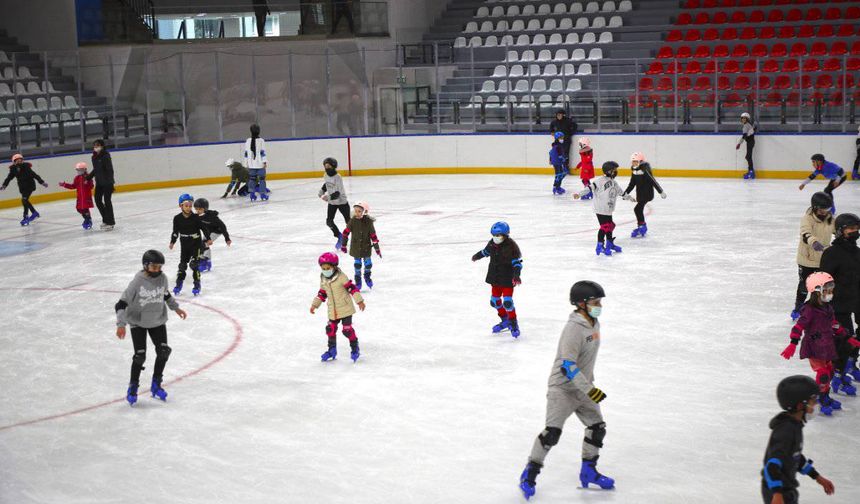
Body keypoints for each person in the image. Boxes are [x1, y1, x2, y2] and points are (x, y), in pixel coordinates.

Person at [519, 280, 614, 500]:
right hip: (562, 389)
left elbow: (586, 360)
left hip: (583, 388)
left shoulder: (594, 324)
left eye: (600, 302)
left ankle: (588, 471)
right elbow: (568, 366)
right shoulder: (574, 329)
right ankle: (529, 474)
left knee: (597, 428)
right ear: (580, 303)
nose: (599, 306)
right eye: (595, 302)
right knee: (551, 434)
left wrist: (589, 385)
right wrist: (590, 390)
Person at [780, 272, 860, 415]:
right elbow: (798, 327)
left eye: (831, 290)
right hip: (814, 347)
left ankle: (823, 395)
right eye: (827, 290)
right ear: (817, 291)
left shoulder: (827, 307)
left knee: (829, 372)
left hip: (827, 346)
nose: (830, 293)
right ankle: (822, 400)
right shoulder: (809, 310)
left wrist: (847, 337)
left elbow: (834, 325)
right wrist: (793, 344)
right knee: (823, 374)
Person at [115, 250, 188, 406]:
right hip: (138, 322)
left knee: (163, 351)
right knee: (140, 356)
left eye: (159, 267)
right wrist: (121, 325)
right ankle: (133, 387)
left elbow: (165, 294)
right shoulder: (137, 282)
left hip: (157, 321)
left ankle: (156, 384)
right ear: (145, 265)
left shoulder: (163, 278)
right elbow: (120, 304)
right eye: (154, 267)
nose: (157, 270)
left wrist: (176, 308)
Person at [760, 375, 835, 504]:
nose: (816, 404)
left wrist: (817, 477)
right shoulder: (785, 431)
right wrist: (777, 494)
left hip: (786, 488)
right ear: (801, 405)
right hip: (776, 491)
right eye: (813, 400)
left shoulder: (794, 425)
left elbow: (795, 456)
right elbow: (771, 465)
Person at [820, 213, 860, 396]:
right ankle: (839, 373)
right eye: (851, 229)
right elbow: (824, 281)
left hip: (857, 300)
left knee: (856, 338)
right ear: (840, 231)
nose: (855, 232)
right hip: (839, 304)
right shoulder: (831, 253)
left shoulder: (857, 252)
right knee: (845, 340)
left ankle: (852, 362)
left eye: (857, 229)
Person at [471, 221, 523, 338]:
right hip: (495, 277)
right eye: (494, 235)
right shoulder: (492, 244)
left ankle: (513, 323)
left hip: (507, 279)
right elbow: (485, 252)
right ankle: (505, 319)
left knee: (508, 302)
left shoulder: (510, 247)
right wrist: (477, 256)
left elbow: (517, 264)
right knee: (494, 301)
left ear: (505, 235)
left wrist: (516, 275)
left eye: (498, 235)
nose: (496, 237)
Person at [311, 252, 365, 362]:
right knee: (330, 329)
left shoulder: (341, 277)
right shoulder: (323, 279)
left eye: (328, 268)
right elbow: (322, 293)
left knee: (347, 330)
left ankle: (355, 348)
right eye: (323, 268)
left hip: (345, 308)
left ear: (334, 266)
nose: (325, 270)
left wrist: (359, 301)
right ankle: (332, 350)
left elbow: (352, 288)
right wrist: (315, 305)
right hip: (333, 310)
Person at [574, 161, 635, 256]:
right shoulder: (600, 181)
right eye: (614, 170)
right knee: (605, 226)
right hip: (600, 208)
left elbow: (621, 192)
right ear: (608, 171)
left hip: (608, 209)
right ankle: (600, 245)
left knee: (610, 226)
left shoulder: (614, 183)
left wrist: (630, 198)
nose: (616, 172)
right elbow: (589, 188)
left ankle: (609, 244)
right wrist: (579, 194)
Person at [791, 192, 834, 321]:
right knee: (804, 285)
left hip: (823, 258)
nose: (825, 212)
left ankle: (818, 308)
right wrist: (813, 242)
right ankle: (798, 307)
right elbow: (805, 233)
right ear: (815, 208)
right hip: (807, 259)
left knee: (822, 285)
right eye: (822, 210)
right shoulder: (807, 219)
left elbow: (838, 230)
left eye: (827, 209)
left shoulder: (830, 218)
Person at [169, 193, 212, 296]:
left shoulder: (196, 218)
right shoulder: (177, 218)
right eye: (186, 206)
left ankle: (197, 285)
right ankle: (178, 284)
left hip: (195, 245)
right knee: (182, 266)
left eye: (190, 206)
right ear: (181, 206)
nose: (188, 208)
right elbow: (175, 232)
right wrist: (172, 241)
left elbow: (204, 229)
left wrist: (208, 239)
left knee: (194, 265)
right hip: (184, 245)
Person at [340, 201, 381, 291]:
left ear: (365, 212)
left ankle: (367, 276)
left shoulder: (369, 222)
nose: (357, 213)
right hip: (356, 248)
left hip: (366, 247)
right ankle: (358, 281)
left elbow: (373, 236)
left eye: (359, 211)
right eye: (355, 211)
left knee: (368, 264)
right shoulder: (353, 221)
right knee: (357, 265)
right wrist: (343, 245)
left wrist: (377, 249)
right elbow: (345, 233)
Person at [623, 152, 666, 238]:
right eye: (633, 162)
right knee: (638, 209)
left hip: (647, 194)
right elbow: (632, 184)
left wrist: (660, 191)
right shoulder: (634, 171)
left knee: (637, 209)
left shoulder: (645, 170)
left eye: (636, 161)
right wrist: (625, 193)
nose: (634, 163)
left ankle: (642, 226)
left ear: (641, 161)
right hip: (640, 194)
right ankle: (641, 226)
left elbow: (653, 181)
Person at [1, 153, 48, 227]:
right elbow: (9, 178)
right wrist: (4, 185)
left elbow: (34, 175)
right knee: (25, 200)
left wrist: (42, 182)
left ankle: (25, 217)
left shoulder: (26, 166)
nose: (19, 161)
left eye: (20, 160)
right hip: (22, 187)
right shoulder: (13, 169)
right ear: (14, 161)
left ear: (22, 160)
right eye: (17, 160)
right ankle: (34, 213)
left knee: (24, 200)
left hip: (29, 186)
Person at [319, 157, 350, 249]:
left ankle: (356, 237)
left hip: (342, 202)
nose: (327, 168)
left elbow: (338, 193)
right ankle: (340, 236)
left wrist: (328, 197)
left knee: (349, 223)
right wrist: (322, 190)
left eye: (328, 166)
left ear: (333, 166)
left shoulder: (338, 177)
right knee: (329, 221)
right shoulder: (325, 175)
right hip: (332, 203)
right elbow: (327, 184)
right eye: (325, 166)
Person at [193, 198, 231, 273]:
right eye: (196, 209)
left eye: (199, 209)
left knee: (204, 244)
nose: (197, 211)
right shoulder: (197, 216)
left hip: (216, 231)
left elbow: (222, 226)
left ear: (205, 209)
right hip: (208, 231)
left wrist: (227, 238)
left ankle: (206, 262)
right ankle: (205, 260)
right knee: (201, 244)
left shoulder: (212, 217)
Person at [87, 139, 116, 230]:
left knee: (107, 201)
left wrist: (110, 182)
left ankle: (110, 222)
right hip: (99, 183)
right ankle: (106, 219)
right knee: (98, 201)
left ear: (102, 146)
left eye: (98, 145)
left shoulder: (106, 156)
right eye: (95, 146)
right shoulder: (94, 157)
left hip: (107, 183)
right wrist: (88, 178)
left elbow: (110, 170)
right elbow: (95, 169)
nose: (96, 147)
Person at [58, 162, 95, 230]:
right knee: (79, 209)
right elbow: (73, 186)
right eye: (77, 170)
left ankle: (88, 220)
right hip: (80, 197)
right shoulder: (77, 178)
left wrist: (88, 182)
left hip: (86, 197)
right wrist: (64, 184)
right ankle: (87, 219)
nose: (78, 171)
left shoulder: (88, 177)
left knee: (85, 209)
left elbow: (92, 186)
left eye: (80, 170)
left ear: (84, 169)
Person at [243, 124, 268, 201]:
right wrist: (264, 161)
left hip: (251, 164)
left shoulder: (248, 140)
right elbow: (262, 152)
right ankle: (263, 194)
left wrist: (246, 163)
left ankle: (252, 194)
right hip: (260, 164)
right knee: (262, 179)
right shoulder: (261, 140)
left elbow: (246, 153)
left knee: (252, 179)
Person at [736, 112, 756, 179]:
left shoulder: (746, 126)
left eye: (745, 118)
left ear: (747, 119)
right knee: (748, 157)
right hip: (750, 142)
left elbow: (744, 136)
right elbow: (751, 132)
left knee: (748, 157)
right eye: (742, 118)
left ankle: (751, 172)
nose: (743, 119)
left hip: (750, 142)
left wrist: (739, 143)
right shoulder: (748, 125)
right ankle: (751, 171)